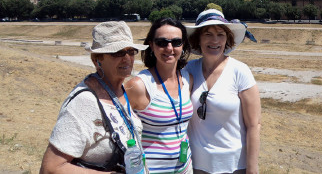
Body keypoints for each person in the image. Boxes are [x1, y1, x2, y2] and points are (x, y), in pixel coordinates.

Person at [40, 21, 148, 174]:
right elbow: (50, 168)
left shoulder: (120, 91)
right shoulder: (84, 102)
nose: (126, 58)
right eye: (117, 52)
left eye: (130, 51)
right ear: (97, 60)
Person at [185, 9, 261, 174]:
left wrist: (252, 169)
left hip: (234, 166)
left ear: (227, 39)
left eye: (220, 34)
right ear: (198, 38)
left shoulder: (240, 71)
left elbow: (254, 125)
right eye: (208, 34)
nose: (215, 40)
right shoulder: (188, 70)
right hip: (196, 165)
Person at [125, 18, 193, 174]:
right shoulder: (138, 86)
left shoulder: (187, 79)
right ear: (151, 45)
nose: (169, 48)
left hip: (185, 168)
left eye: (176, 42)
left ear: (183, 46)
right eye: (162, 42)